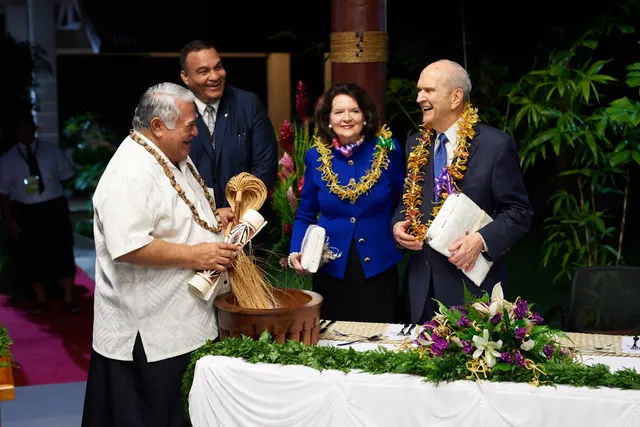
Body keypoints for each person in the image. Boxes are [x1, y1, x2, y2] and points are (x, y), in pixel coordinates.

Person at [81, 82, 238, 427]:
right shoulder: (131, 171)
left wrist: (215, 218)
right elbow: (131, 246)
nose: (197, 132)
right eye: (190, 125)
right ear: (157, 127)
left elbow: (180, 211)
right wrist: (198, 255)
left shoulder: (170, 154)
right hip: (150, 334)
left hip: (184, 320)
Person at [392, 59, 534, 324]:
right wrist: (399, 224)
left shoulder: (495, 146)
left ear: (456, 97)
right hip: (421, 288)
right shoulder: (415, 143)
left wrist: (480, 240)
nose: (419, 97)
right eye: (419, 90)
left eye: (429, 90)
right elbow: (407, 201)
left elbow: (519, 212)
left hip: (472, 291)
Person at [288, 82, 405, 323]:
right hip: (331, 269)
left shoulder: (388, 149)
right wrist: (296, 252)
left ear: (365, 115)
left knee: (379, 345)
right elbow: (305, 214)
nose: (347, 118)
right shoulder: (315, 157)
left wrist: (401, 226)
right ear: (328, 119)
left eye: (354, 111)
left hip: (378, 268)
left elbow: (402, 202)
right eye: (338, 112)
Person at [179, 40, 278, 214]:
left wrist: (236, 209)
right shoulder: (176, 112)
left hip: (246, 221)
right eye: (204, 71)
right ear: (185, 77)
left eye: (218, 67)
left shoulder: (248, 104)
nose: (215, 76)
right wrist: (211, 214)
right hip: (194, 223)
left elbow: (265, 166)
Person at [0, 106, 80, 315]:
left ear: (34, 128)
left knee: (62, 251)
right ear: (16, 131)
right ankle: (41, 300)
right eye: (21, 128)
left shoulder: (51, 151)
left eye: (29, 127)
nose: (25, 131)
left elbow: (68, 175)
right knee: (32, 255)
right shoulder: (7, 160)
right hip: (27, 212)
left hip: (54, 207)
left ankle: (69, 298)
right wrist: (9, 220)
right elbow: (4, 193)